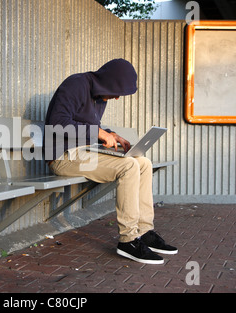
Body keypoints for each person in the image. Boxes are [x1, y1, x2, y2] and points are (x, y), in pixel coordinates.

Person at [44, 59, 177, 265]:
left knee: (143, 163)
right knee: (129, 166)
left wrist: (111, 134)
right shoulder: (75, 84)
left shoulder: (99, 96)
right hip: (63, 156)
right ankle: (129, 240)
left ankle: (145, 230)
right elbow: (57, 123)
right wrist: (98, 132)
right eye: (115, 91)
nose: (115, 97)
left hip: (85, 152)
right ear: (107, 81)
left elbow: (87, 126)